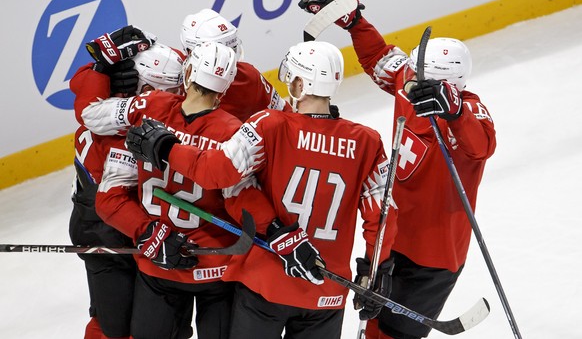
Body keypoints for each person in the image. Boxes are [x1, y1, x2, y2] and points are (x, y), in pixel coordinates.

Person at [125, 40, 398, 339]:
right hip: (326, 292)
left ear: (299, 85)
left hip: (264, 281)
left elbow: (219, 174)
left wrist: (166, 147)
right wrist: (374, 272)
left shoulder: (268, 125)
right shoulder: (367, 142)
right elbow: (382, 218)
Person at [296, 0, 497, 339]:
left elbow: (481, 143)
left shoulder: (469, 110)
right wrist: (354, 21)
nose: (411, 80)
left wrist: (454, 110)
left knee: (388, 335)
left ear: (449, 84)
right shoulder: (411, 83)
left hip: (433, 257)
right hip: (390, 237)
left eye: (423, 79)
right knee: (369, 325)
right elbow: (381, 58)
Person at [74, 39, 284, 339]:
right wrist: (277, 231)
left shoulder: (146, 109)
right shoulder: (233, 131)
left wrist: (147, 232)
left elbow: (92, 120)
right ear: (225, 90)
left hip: (158, 267)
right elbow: (242, 196)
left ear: (187, 74)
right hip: (219, 266)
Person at [68, 26, 175, 339]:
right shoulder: (124, 131)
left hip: (112, 216)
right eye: (167, 89)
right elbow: (113, 202)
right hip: (105, 227)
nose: (176, 95)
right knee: (114, 326)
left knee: (120, 316)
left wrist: (104, 65)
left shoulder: (109, 101)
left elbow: (82, 85)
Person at [179, 8, 292, 122]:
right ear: (190, 52)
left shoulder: (248, 77)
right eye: (218, 55)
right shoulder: (171, 74)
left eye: (232, 51)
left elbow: (286, 117)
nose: (228, 62)